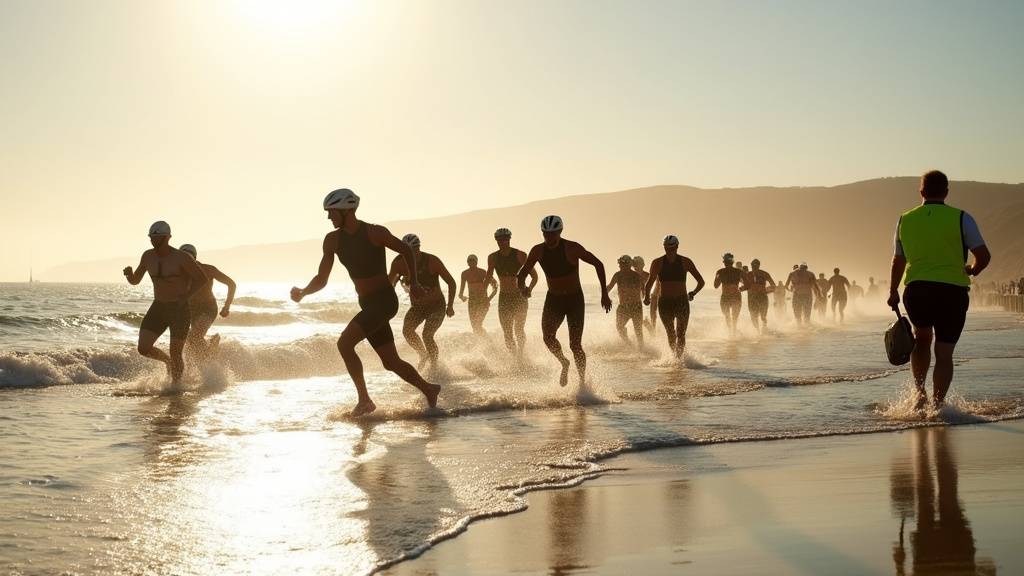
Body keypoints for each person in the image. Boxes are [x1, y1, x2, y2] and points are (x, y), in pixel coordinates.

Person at [290, 188, 440, 417]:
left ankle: (364, 401)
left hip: (384, 301)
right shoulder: (332, 241)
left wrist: (415, 281)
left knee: (344, 343)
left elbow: (406, 249)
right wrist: (304, 292)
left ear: (346, 210)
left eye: (331, 212)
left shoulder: (374, 232)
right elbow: (322, 278)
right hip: (368, 304)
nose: (328, 217)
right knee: (390, 361)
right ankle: (429, 388)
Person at [887, 170, 990, 410]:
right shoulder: (962, 217)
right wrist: (972, 270)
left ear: (921, 192)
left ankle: (919, 395)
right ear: (946, 192)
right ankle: (937, 406)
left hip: (918, 290)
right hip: (952, 292)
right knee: (944, 352)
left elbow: (898, 260)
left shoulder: (905, 219)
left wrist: (893, 291)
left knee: (921, 340)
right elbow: (983, 256)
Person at [516, 215, 612, 387]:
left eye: (553, 234)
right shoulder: (538, 250)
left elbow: (598, 264)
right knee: (547, 337)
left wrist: (604, 293)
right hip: (553, 299)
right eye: (546, 234)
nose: (549, 237)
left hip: (574, 299)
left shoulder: (572, 248)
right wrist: (523, 288)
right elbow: (522, 274)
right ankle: (564, 363)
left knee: (575, 345)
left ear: (560, 232)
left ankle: (582, 383)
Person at [122, 221, 208, 388]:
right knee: (143, 348)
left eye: (158, 238)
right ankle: (166, 361)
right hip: (158, 308)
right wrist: (129, 275)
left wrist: (187, 296)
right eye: (152, 238)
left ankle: (176, 388)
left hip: (179, 310)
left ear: (167, 238)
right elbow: (135, 281)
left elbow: (202, 279)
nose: (154, 241)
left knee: (176, 353)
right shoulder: (148, 256)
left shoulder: (182, 258)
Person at [389, 234, 457, 371]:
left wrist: (450, 305)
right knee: (407, 331)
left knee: (427, 335)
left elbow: (451, 282)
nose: (410, 255)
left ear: (418, 248)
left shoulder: (432, 261)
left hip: (436, 306)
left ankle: (434, 366)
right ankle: (423, 354)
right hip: (418, 307)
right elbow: (390, 284)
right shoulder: (398, 263)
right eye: (405, 252)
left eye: (413, 251)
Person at [644, 235, 704, 358]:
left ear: (677, 246)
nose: (669, 250)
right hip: (665, 302)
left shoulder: (685, 261)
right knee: (670, 333)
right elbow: (649, 283)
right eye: (666, 247)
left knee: (681, 334)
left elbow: (701, 281)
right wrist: (646, 297)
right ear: (664, 247)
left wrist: (693, 293)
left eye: (672, 247)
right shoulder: (657, 262)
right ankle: (674, 358)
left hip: (681, 301)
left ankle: (679, 360)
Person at [178, 244, 236, 361]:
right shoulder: (178, 274)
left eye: (188, 257)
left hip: (208, 308)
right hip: (191, 310)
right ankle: (208, 351)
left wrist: (227, 306)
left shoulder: (208, 269)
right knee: (192, 341)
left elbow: (231, 284)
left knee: (194, 337)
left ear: (194, 257)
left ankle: (208, 356)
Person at [486, 227, 537, 356]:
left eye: (505, 239)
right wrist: (483, 295)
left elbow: (534, 276)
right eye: (499, 240)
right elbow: (488, 277)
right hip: (504, 297)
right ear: (496, 241)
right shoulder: (492, 257)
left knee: (519, 330)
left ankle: (521, 354)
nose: (502, 242)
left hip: (519, 296)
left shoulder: (520, 255)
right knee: (507, 333)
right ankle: (515, 358)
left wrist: (529, 289)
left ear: (509, 239)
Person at [607, 255, 645, 348]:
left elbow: (643, 289)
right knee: (619, 328)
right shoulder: (617, 275)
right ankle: (630, 345)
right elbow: (610, 287)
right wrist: (604, 294)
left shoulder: (636, 276)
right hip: (623, 307)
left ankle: (642, 350)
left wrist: (645, 296)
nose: (619, 266)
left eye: (621, 264)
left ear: (628, 265)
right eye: (619, 264)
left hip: (636, 306)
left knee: (638, 331)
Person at [458, 254, 497, 336]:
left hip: (483, 302)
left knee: (478, 325)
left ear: (476, 262)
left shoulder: (482, 272)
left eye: (473, 261)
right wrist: (462, 297)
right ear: (467, 263)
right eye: (470, 261)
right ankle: (484, 343)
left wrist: (488, 299)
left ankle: (488, 342)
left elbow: (495, 286)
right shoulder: (465, 274)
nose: (471, 262)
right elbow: (460, 293)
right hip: (472, 302)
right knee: (475, 327)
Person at [713, 253, 744, 337]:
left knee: (729, 317)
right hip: (733, 296)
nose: (724, 263)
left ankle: (732, 333)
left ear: (725, 262)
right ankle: (732, 333)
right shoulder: (738, 272)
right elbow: (747, 284)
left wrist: (717, 277)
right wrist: (741, 288)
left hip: (728, 296)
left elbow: (716, 285)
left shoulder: (721, 272)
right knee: (732, 318)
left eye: (725, 261)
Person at [743, 259, 775, 334]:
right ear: (751, 265)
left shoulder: (764, 274)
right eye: (753, 265)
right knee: (754, 317)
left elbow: (773, 286)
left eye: (755, 265)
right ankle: (758, 332)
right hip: (753, 298)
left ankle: (763, 330)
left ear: (758, 265)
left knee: (762, 316)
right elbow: (745, 285)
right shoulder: (748, 274)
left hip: (761, 297)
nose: (754, 266)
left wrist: (766, 291)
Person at [785, 262, 822, 327]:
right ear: (806, 268)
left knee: (798, 317)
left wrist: (792, 290)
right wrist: (818, 298)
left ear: (800, 267)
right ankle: (806, 330)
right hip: (807, 295)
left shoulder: (792, 273)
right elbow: (816, 287)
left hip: (797, 295)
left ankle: (799, 329)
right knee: (807, 317)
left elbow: (786, 286)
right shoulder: (810, 274)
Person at [632, 256, 657, 334]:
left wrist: (653, 295)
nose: (636, 267)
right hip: (637, 299)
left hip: (648, 297)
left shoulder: (647, 275)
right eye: (634, 265)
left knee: (653, 313)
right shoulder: (631, 276)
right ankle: (649, 327)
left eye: (638, 264)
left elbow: (658, 284)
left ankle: (653, 330)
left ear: (643, 265)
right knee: (638, 317)